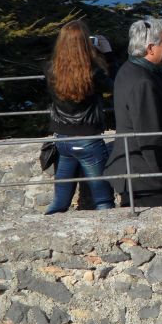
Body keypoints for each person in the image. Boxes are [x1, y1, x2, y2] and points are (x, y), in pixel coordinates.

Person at [105, 19, 162, 208]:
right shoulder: (143, 82)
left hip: (135, 171)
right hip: (142, 175)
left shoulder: (129, 70)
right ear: (151, 48)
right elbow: (149, 137)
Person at [44, 20, 115, 214]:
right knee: (103, 200)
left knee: (59, 201)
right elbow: (115, 86)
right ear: (85, 42)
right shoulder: (92, 71)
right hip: (88, 138)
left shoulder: (51, 69)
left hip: (62, 139)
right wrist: (106, 54)